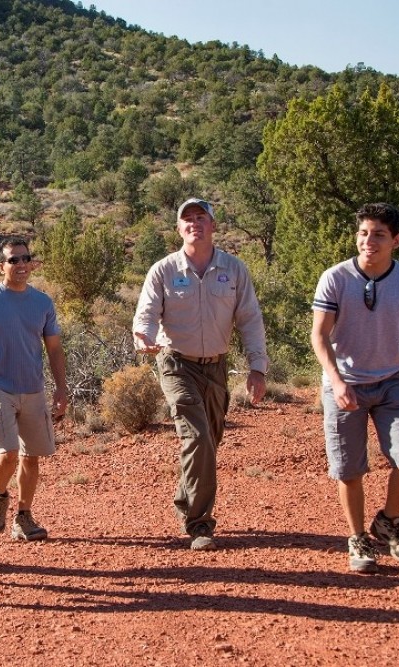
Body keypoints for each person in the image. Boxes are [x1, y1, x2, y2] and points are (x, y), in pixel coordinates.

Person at [132, 197, 269, 551]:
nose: (195, 223)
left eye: (201, 217)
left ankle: (185, 497)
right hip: (176, 362)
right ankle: (200, 523)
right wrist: (143, 334)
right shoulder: (163, 270)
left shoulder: (235, 269)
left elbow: (250, 320)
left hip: (217, 367)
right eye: (187, 219)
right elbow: (146, 312)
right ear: (179, 229)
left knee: (209, 441)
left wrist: (257, 368)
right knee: (197, 438)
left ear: (213, 225)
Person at [311, 202, 399, 574]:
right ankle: (358, 538)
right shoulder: (335, 278)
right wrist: (336, 382)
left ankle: (388, 521)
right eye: (364, 233)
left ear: (396, 240)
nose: (369, 241)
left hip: (391, 382)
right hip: (345, 383)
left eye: (379, 234)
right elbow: (319, 337)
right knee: (349, 469)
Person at [0, 238, 67, 542]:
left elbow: (54, 349)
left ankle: (23, 517)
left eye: (25, 259)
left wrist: (61, 388)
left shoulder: (42, 302)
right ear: (1, 266)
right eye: (13, 260)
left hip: (33, 388)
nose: (21, 264)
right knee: (8, 452)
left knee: (32, 456)